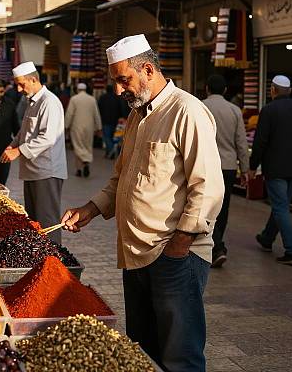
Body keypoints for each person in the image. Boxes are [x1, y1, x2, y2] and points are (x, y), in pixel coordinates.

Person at [62, 34, 223, 372]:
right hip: (135, 252)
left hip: (174, 254)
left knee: (181, 356)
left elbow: (207, 189)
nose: (119, 90)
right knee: (143, 350)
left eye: (124, 80)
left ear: (147, 70)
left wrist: (179, 245)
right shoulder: (138, 115)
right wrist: (89, 210)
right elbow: (121, 178)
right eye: (116, 81)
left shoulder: (187, 111)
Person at [1, 61, 67, 244]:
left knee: (47, 221)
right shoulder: (31, 102)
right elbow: (24, 132)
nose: (19, 89)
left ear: (33, 79)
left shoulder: (49, 102)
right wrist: (12, 145)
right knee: (34, 221)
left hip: (47, 170)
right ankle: (39, 259)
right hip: (32, 170)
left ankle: (52, 260)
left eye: (22, 84)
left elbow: (47, 138)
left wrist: (18, 151)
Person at [249, 75, 292, 266]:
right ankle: (267, 238)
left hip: (275, 168)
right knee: (280, 205)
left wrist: (252, 166)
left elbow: (260, 142)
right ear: (290, 91)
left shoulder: (268, 110)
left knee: (280, 207)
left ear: (272, 90)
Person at [203, 74, 249, 268]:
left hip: (204, 166)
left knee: (204, 206)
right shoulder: (235, 110)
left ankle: (214, 246)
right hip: (228, 167)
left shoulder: (200, 107)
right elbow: (241, 142)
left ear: (207, 89)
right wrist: (245, 169)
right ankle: (216, 246)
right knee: (223, 207)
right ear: (224, 91)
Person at [65, 83, 102, 177]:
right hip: (89, 127)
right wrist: (99, 127)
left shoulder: (74, 99)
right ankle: (86, 162)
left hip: (77, 126)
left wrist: (66, 126)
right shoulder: (92, 99)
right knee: (87, 145)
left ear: (77, 89)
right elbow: (96, 114)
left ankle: (80, 168)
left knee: (78, 146)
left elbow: (69, 114)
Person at [98, 85, 123, 158]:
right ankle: (110, 152)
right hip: (115, 120)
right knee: (113, 137)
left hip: (105, 120)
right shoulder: (117, 98)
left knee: (107, 137)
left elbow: (99, 109)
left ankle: (111, 151)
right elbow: (120, 108)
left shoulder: (102, 98)